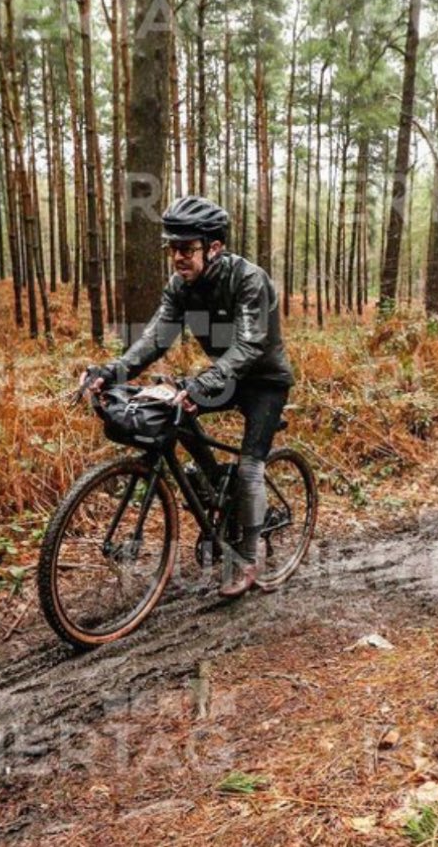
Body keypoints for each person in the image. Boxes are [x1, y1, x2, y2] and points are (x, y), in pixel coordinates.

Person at [82, 195, 294, 598]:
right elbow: (155, 339)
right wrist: (114, 371)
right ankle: (215, 484)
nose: (177, 256)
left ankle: (247, 558)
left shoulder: (250, 280)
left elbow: (250, 345)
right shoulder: (181, 287)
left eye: (186, 247)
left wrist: (203, 383)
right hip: (225, 376)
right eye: (172, 247)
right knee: (169, 407)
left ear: (215, 247)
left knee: (250, 469)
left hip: (265, 381)